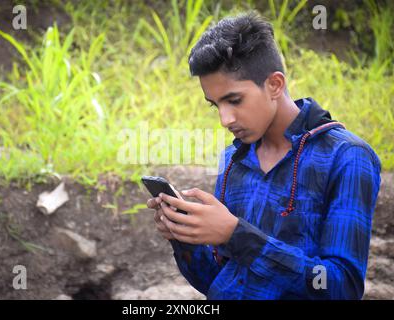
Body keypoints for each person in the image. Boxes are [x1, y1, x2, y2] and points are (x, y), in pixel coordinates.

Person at [146, 12, 381, 300]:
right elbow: (220, 283)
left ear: (274, 85)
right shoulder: (233, 160)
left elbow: (341, 288)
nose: (224, 119)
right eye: (214, 105)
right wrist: (185, 237)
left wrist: (236, 235)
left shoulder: (346, 157)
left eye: (234, 100)